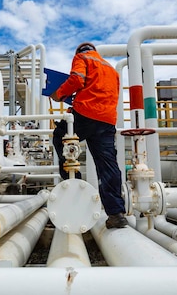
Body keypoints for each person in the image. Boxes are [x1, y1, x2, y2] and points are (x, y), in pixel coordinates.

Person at [50, 42, 127, 229]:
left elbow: (77, 79)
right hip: (107, 120)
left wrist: (58, 94)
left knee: (61, 137)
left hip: (86, 114)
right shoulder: (111, 70)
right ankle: (116, 213)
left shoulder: (82, 58)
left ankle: (74, 185)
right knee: (108, 165)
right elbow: (107, 93)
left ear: (79, 52)